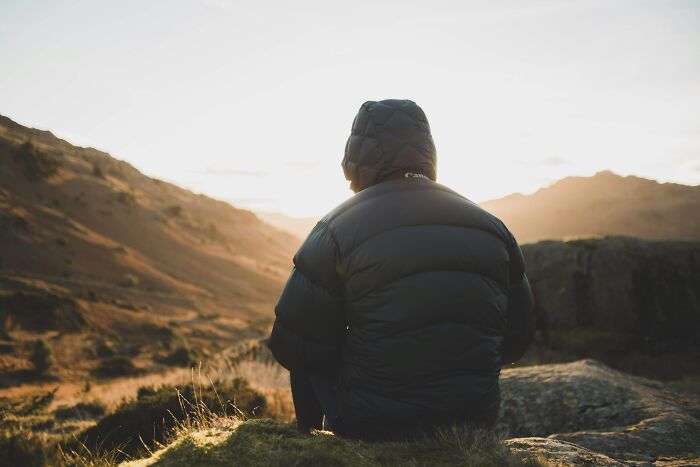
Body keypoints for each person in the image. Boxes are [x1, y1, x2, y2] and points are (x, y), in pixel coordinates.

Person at [268, 99, 535, 441]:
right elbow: (517, 338)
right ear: (428, 150)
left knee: (306, 348)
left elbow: (295, 348)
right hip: (471, 421)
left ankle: (316, 442)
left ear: (356, 157)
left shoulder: (335, 229)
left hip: (372, 426)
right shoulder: (493, 229)